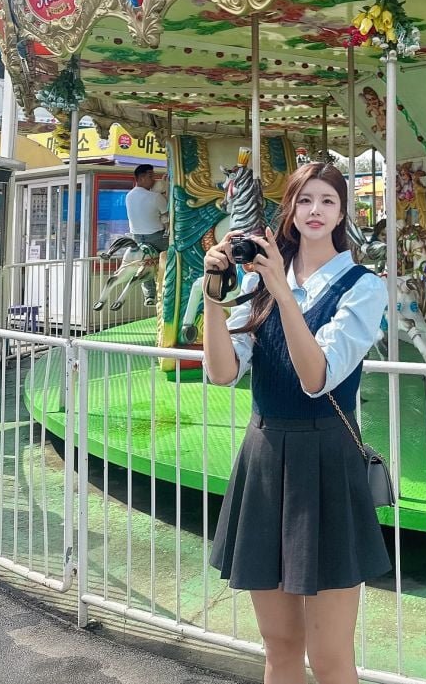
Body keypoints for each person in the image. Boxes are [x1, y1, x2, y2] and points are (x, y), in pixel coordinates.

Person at [203, 162, 391, 684]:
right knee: (279, 645)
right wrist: (214, 294)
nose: (315, 211)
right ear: (289, 209)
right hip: (265, 457)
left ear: (342, 213)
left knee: (329, 655)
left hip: (326, 458)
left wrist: (282, 294)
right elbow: (222, 372)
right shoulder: (259, 279)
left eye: (327, 200)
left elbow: (316, 377)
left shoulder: (362, 287)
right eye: (304, 200)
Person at [124, 164, 168, 307]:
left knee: (144, 262)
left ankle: (149, 294)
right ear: (141, 178)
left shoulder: (129, 196)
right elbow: (167, 216)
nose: (153, 179)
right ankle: (170, 286)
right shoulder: (155, 197)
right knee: (175, 254)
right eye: (150, 176)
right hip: (157, 237)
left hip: (137, 238)